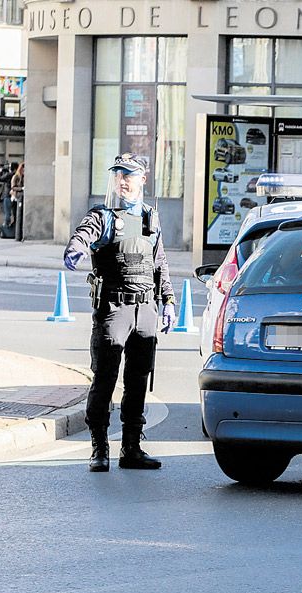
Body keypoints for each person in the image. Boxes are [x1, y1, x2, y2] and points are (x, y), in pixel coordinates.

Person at [63, 153, 176, 472]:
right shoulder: (102, 215)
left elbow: (159, 261)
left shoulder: (149, 217)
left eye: (129, 174)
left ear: (143, 179)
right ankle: (99, 446)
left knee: (138, 378)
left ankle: (131, 447)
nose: (123, 180)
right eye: (118, 174)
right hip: (113, 307)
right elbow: (85, 233)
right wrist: (77, 247)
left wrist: (168, 299)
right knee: (105, 377)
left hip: (146, 308)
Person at [8, 162, 23, 240]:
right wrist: (21, 188)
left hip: (21, 198)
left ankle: (18, 233)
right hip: (15, 198)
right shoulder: (16, 176)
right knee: (15, 215)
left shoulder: (24, 177)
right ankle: (15, 233)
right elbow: (13, 187)